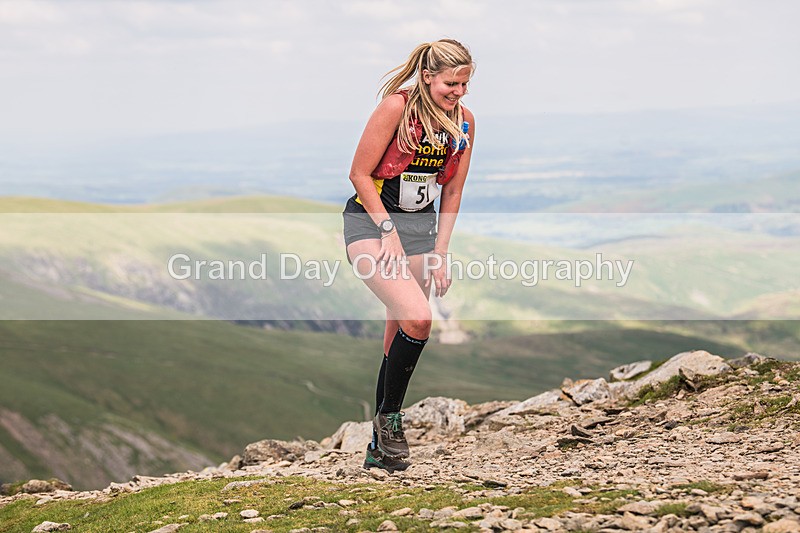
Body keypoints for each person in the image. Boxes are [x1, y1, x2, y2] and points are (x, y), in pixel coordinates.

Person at [342, 39, 476, 473]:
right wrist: (387, 230)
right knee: (419, 320)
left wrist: (441, 250)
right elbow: (359, 174)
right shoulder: (395, 109)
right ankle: (390, 422)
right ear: (427, 76)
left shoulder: (465, 123)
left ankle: (379, 450)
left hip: (421, 233)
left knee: (397, 331)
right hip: (371, 225)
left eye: (465, 84)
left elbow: (453, 189)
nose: (459, 92)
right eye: (451, 84)